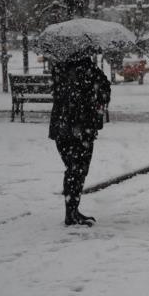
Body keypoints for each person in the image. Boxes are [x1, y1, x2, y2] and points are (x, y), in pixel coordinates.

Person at [49, 56, 111, 226]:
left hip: (61, 126)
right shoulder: (87, 68)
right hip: (80, 127)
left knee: (73, 169)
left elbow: (59, 93)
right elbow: (104, 91)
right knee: (78, 169)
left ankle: (71, 210)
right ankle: (72, 212)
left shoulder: (60, 67)